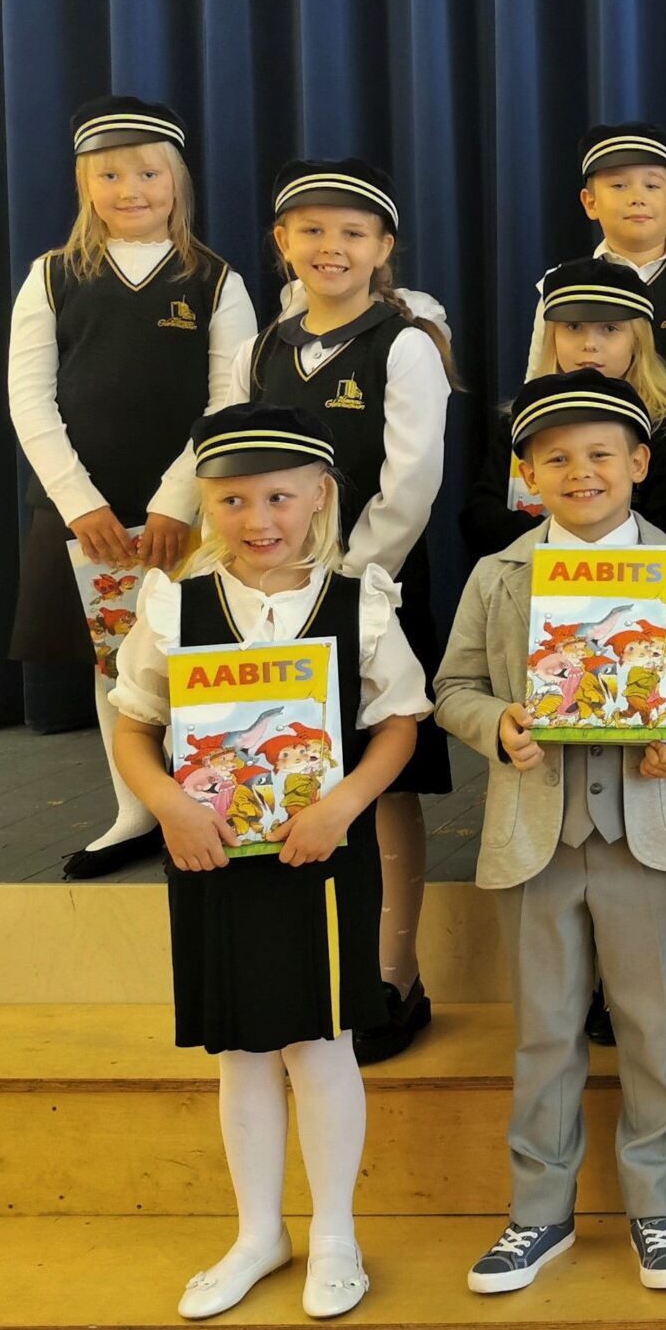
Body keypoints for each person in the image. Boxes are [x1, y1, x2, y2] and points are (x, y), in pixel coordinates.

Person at [109, 405, 425, 1319]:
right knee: (242, 1053)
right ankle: (258, 1234)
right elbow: (134, 726)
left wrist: (342, 804)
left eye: (280, 497)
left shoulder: (360, 601)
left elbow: (400, 722)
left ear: (320, 495)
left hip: (320, 857)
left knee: (322, 1047)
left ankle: (335, 1236)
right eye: (233, 500)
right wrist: (168, 805)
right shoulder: (175, 604)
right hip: (209, 856)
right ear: (205, 504)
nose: (258, 519)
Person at [434, 371, 666, 1297]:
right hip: (537, 835)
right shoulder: (499, 574)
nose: (581, 471)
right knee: (546, 1031)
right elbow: (453, 687)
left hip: (649, 833)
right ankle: (539, 1212)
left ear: (638, 462)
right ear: (528, 475)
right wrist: (497, 724)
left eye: (601, 453)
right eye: (555, 458)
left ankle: (657, 1207)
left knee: (653, 1028)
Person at [7, 97, 258, 878]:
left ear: (177, 181)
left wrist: (174, 503)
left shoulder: (216, 280)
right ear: (85, 185)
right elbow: (29, 397)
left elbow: (231, 401)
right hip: (88, 518)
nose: (131, 190)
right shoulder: (52, 277)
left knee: (200, 655)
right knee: (115, 664)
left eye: (148, 173)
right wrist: (80, 504)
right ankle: (135, 810)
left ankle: (217, 800)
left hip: (198, 511)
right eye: (110, 175)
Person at [242, 159, 456, 1064]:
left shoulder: (404, 344)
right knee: (294, 766)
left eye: (353, 232)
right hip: (273, 594)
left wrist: (347, 582)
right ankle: (310, 970)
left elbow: (412, 483)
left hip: (375, 590)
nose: (331, 247)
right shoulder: (265, 345)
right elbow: (236, 466)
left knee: (385, 780)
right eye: (312, 230)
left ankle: (395, 978)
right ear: (283, 241)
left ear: (383, 246)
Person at [461, 258, 666, 561]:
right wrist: (561, 543)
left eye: (610, 328)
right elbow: (480, 519)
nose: (589, 344)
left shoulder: (665, 425)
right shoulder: (520, 420)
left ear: (637, 341)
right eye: (573, 327)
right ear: (552, 337)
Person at [522, 124, 666, 416]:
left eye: (652, 186)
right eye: (619, 186)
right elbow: (538, 380)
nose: (637, 198)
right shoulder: (560, 284)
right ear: (590, 202)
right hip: (587, 440)